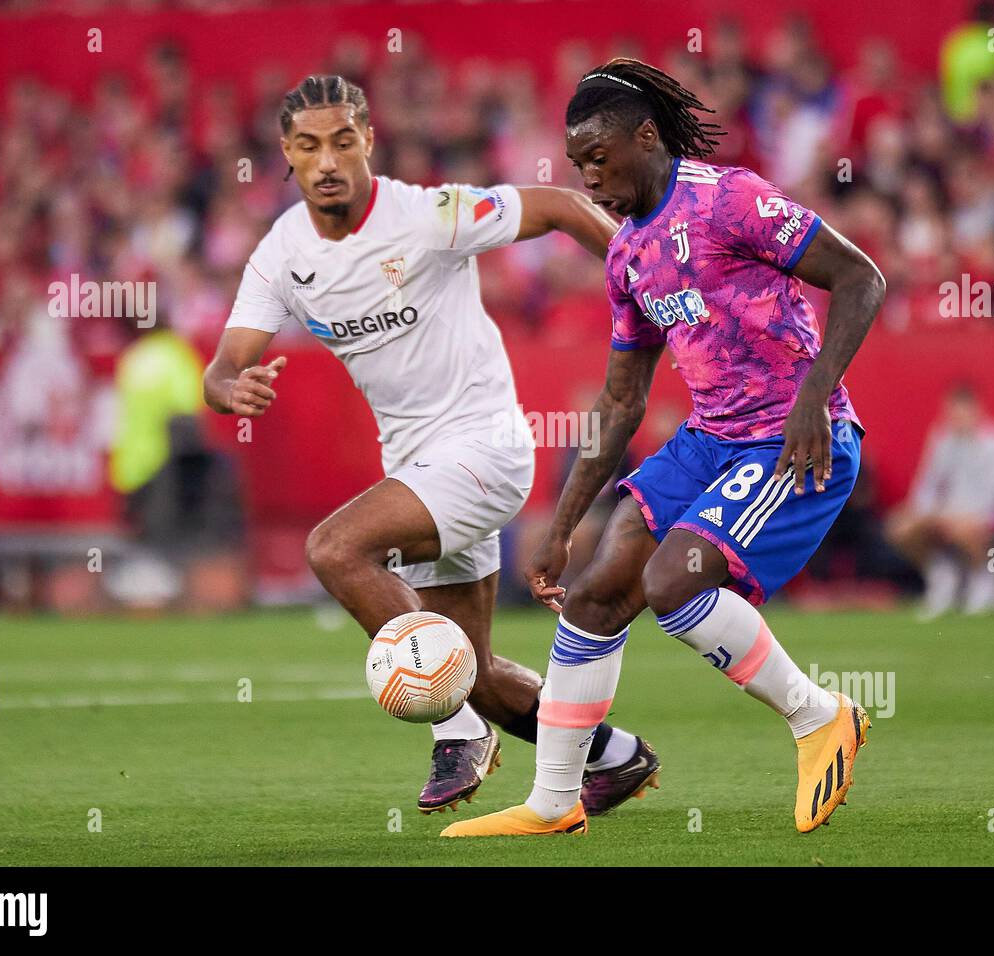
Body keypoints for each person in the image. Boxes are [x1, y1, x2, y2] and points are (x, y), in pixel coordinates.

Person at [443, 59, 885, 838]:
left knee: (672, 583)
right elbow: (620, 400)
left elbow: (861, 279)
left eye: (598, 159)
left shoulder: (731, 199)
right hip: (710, 439)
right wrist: (559, 526)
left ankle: (822, 717)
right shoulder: (625, 255)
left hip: (792, 438)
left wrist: (816, 395)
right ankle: (554, 801)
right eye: (577, 164)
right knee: (595, 592)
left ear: (645, 137)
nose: (589, 177)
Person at [203, 75, 654, 815]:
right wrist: (229, 386)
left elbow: (553, 205)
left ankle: (456, 732)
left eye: (343, 141)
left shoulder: (427, 214)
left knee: (334, 548)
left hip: (485, 451)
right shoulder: (282, 253)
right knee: (468, 668)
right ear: (286, 152)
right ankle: (615, 754)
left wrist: (639, 263)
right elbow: (225, 364)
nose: (328, 160)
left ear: (367, 143)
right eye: (310, 145)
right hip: (419, 470)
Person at [886, 383, 994, 617]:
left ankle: (983, 583)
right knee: (900, 527)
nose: (957, 418)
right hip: (946, 513)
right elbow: (927, 485)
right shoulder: (942, 439)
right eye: (952, 412)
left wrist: (965, 517)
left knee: (964, 530)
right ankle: (941, 576)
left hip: (985, 515)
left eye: (962, 411)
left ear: (976, 410)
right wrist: (923, 512)